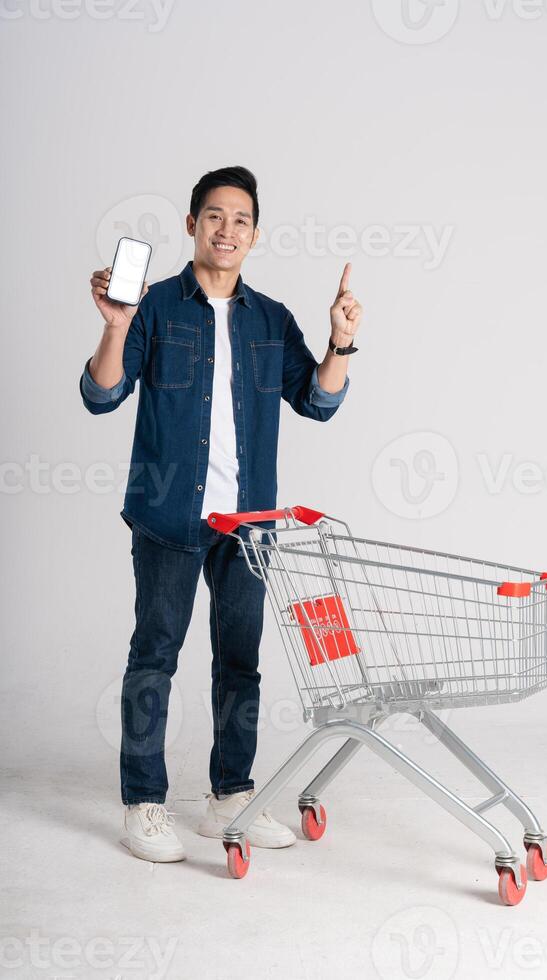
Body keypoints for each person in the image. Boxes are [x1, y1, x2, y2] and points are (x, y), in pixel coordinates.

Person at [80, 166, 362, 862]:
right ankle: (143, 803)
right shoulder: (154, 309)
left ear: (255, 234)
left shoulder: (270, 319)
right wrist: (117, 325)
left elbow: (319, 402)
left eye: (240, 219)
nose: (226, 229)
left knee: (240, 664)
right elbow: (100, 393)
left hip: (248, 526)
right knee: (155, 658)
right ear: (191, 226)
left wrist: (341, 342)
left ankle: (229, 796)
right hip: (169, 517)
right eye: (213, 216)